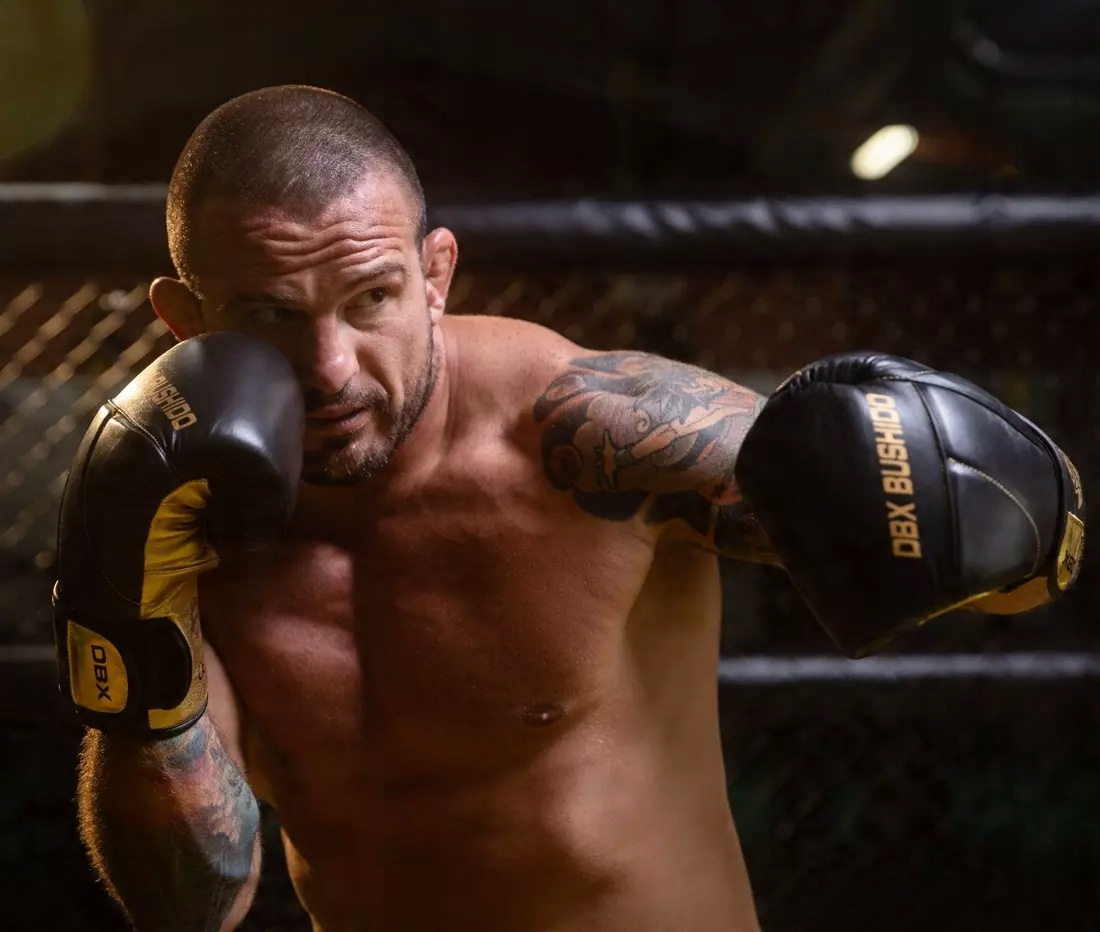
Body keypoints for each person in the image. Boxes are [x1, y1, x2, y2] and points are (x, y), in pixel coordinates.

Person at [52, 85, 1086, 932]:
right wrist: (125, 629)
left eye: (370, 298)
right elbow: (195, 901)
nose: (331, 367)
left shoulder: (592, 439)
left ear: (434, 276)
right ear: (185, 320)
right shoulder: (173, 506)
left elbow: (1029, 560)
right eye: (271, 314)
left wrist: (986, 501)